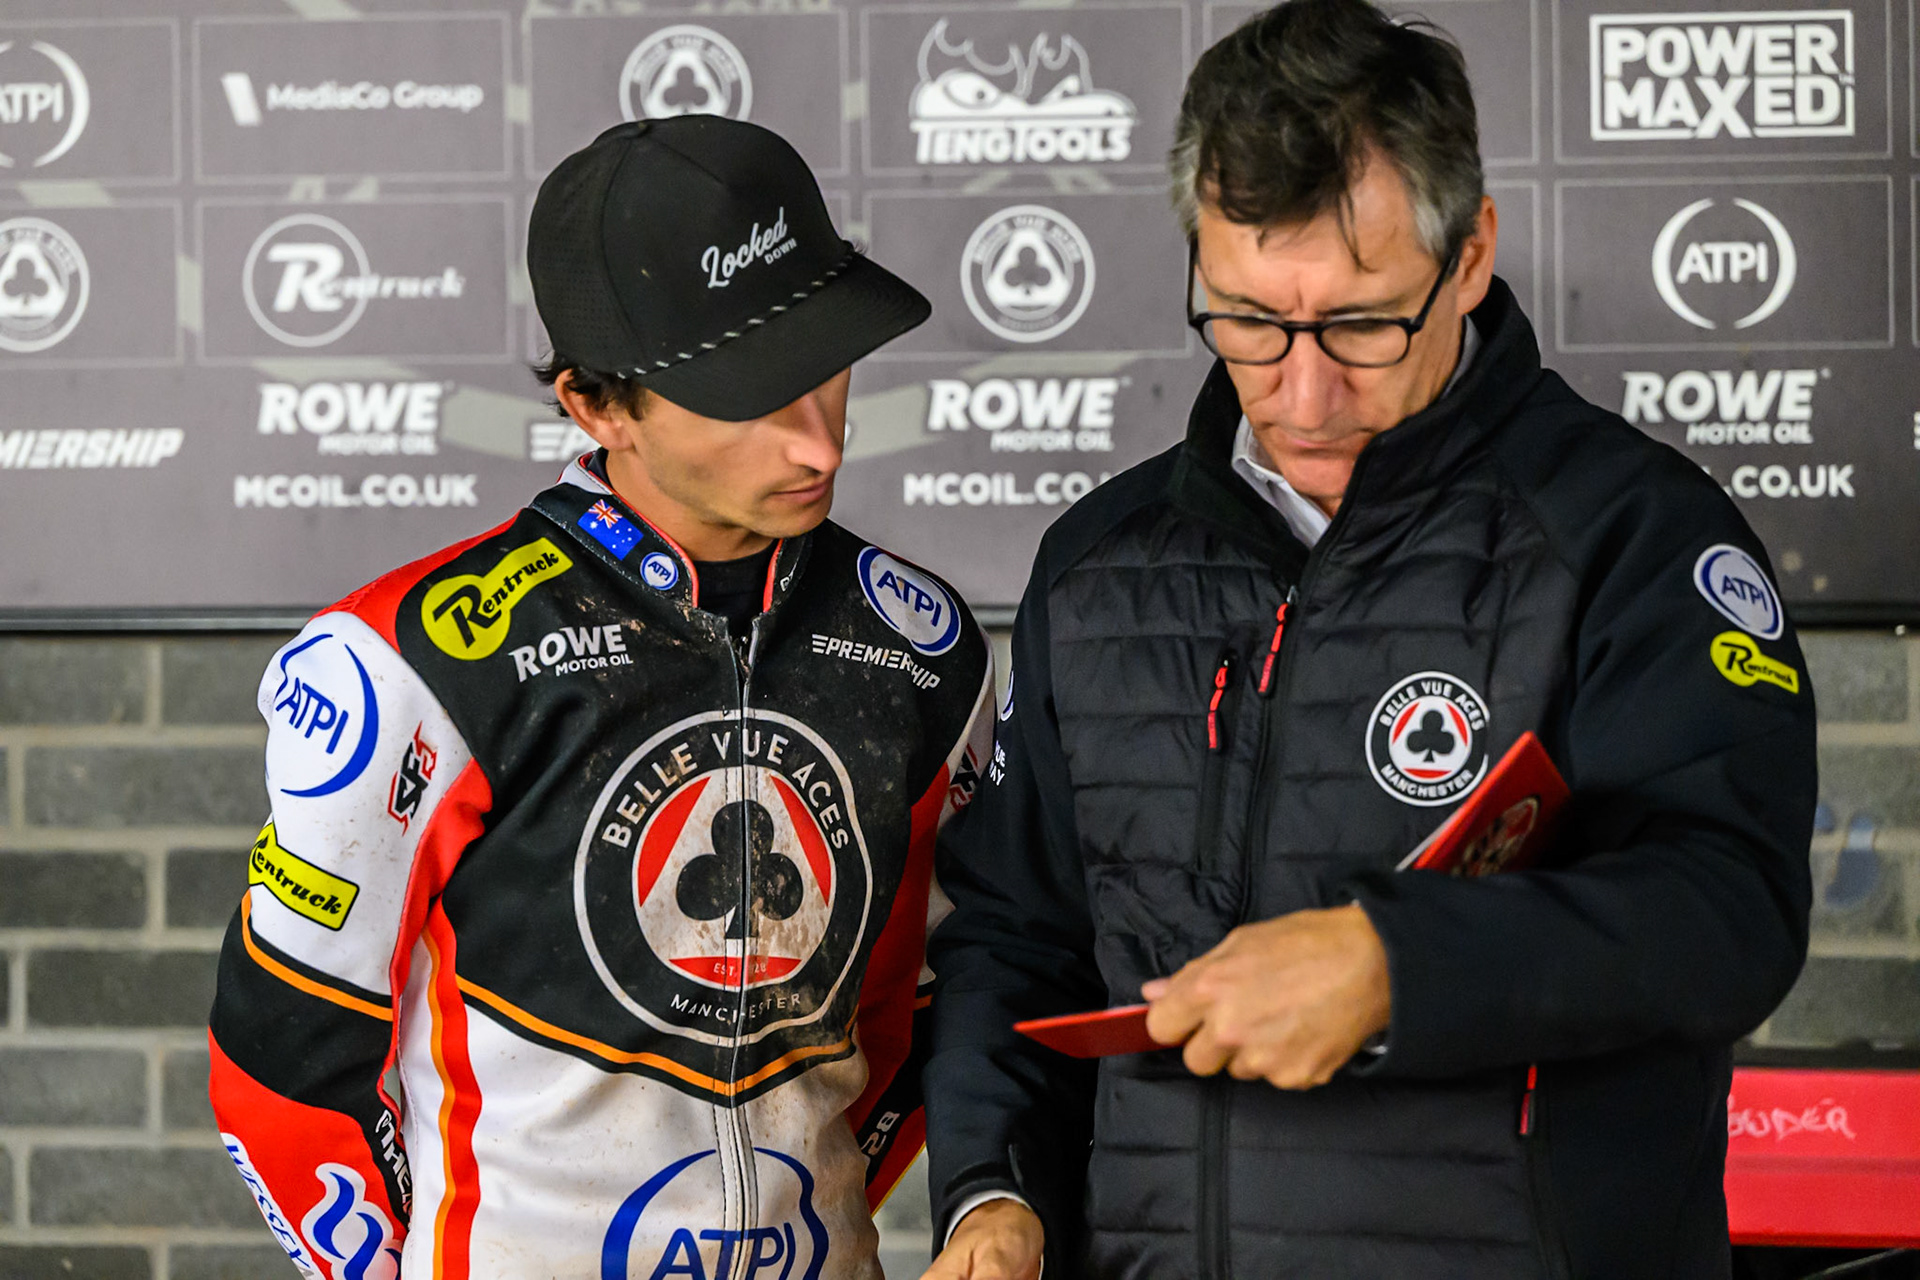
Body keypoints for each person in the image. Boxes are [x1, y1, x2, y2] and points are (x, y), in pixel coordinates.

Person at [920, 3, 1817, 1277]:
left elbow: (1731, 915)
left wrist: (1398, 964)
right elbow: (1019, 937)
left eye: (1359, 325)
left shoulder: (1633, 535)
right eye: (1246, 321)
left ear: (1468, 255)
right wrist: (992, 1197)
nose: (1301, 391)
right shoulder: (1097, 563)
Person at [209, 116, 994, 1279]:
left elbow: (919, 1009)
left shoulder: (925, 650)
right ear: (597, 406)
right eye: (747, 394)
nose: (815, 438)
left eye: (826, 361)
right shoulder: (411, 662)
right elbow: (280, 1062)